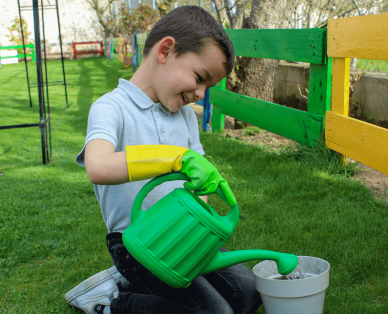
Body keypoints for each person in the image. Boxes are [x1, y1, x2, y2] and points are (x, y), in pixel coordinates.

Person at [65, 5, 261, 314]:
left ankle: (135, 285)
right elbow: (98, 166)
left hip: (183, 233)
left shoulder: (184, 116)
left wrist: (203, 234)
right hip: (137, 243)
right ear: (166, 50)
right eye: (200, 77)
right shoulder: (110, 108)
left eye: (207, 87)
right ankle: (109, 302)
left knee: (248, 295)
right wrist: (173, 158)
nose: (200, 93)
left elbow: (200, 186)